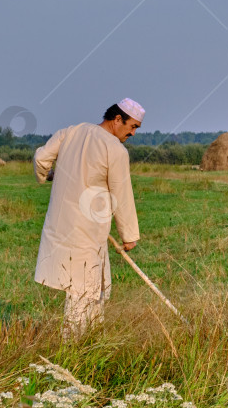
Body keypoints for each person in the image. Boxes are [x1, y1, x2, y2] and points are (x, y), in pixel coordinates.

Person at [33, 98, 145, 340]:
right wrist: (129, 236)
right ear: (117, 119)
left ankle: (91, 343)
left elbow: (41, 158)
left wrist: (48, 176)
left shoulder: (70, 132)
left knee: (94, 289)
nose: (133, 133)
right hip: (87, 233)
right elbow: (121, 195)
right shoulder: (115, 150)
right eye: (133, 126)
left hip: (61, 228)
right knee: (84, 291)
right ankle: (74, 350)